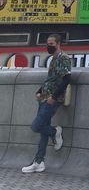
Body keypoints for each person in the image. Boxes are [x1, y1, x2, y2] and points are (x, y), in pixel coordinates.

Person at [22, 33, 71, 173]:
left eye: (51, 44)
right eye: (48, 43)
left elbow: (66, 79)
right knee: (42, 131)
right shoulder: (53, 59)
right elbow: (50, 79)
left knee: (36, 126)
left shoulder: (64, 58)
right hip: (44, 97)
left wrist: (54, 97)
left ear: (58, 43)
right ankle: (39, 161)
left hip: (52, 100)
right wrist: (39, 91)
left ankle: (56, 132)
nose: (49, 46)